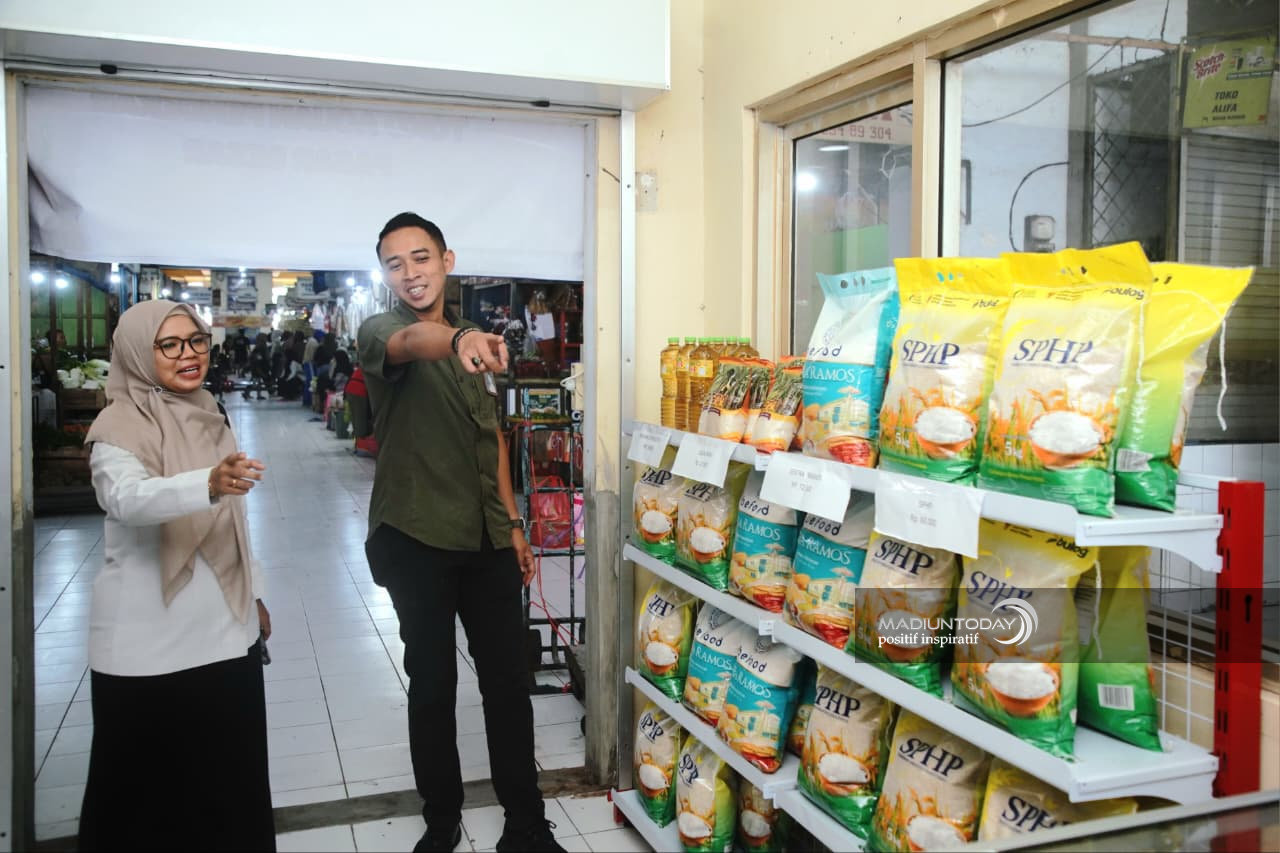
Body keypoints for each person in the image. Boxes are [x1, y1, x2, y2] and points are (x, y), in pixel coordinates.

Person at [358, 212, 562, 853]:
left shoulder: (477, 348)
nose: (410, 273)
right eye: (395, 264)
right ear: (385, 275)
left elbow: (490, 437)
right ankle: (440, 819)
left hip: (486, 539)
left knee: (508, 684)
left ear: (447, 260)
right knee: (433, 685)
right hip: (416, 533)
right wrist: (459, 337)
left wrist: (514, 525)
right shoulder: (382, 331)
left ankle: (526, 825)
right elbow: (413, 342)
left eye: (421, 258)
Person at [79, 299, 275, 851]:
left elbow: (234, 520)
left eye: (196, 341)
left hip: (226, 634)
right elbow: (126, 499)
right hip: (148, 646)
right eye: (168, 344)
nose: (188, 354)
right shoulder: (117, 426)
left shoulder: (211, 410)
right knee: (146, 804)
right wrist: (205, 483)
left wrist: (255, 594)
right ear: (138, 352)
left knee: (227, 789)